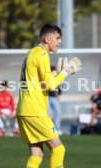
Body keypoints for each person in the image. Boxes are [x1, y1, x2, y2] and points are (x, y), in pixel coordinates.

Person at [16, 24, 82, 168]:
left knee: (37, 154)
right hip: (35, 111)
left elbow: (42, 83)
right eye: (57, 38)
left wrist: (56, 73)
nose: (60, 42)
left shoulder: (32, 53)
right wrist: (66, 72)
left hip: (23, 110)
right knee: (59, 149)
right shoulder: (42, 54)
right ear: (47, 39)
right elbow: (51, 86)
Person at [48, 66, 63, 135]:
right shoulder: (47, 78)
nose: (54, 73)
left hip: (54, 97)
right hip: (46, 97)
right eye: (53, 72)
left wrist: (59, 94)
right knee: (48, 114)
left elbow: (59, 87)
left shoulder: (56, 79)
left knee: (58, 112)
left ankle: (57, 128)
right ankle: (49, 129)